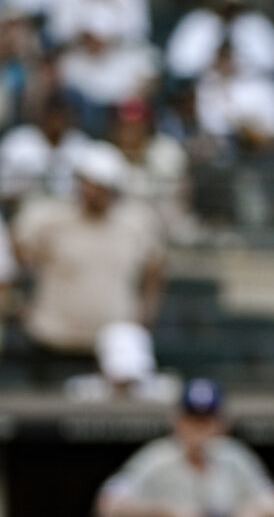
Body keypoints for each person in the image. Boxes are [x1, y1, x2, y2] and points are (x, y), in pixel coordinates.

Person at [9, 140, 165, 381]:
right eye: (87, 184)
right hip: (54, 342)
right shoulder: (51, 219)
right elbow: (14, 251)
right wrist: (19, 302)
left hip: (113, 350)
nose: (92, 192)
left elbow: (155, 267)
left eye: (100, 186)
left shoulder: (137, 222)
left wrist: (145, 314)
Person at [95, 377, 274, 517]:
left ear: (222, 423)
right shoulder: (156, 457)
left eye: (206, 420)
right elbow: (109, 503)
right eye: (192, 419)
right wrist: (164, 511)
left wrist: (247, 511)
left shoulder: (234, 456)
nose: (198, 429)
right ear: (177, 421)